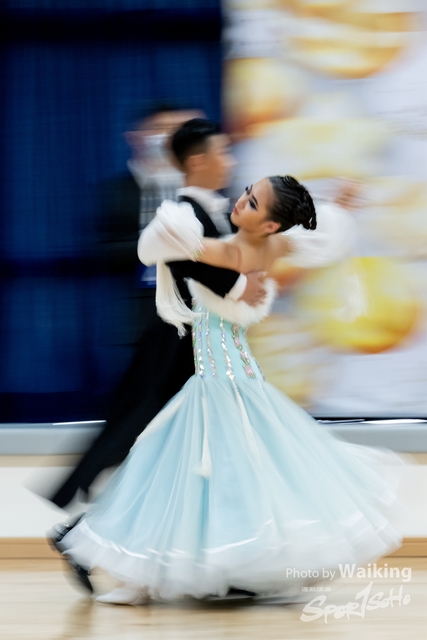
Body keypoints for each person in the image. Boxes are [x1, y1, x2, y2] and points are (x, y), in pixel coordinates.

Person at [60, 175, 402, 605]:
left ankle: (217, 568)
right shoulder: (273, 245)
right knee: (240, 473)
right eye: (247, 193)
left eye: (253, 203)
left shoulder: (228, 251)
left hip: (223, 382)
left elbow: (169, 250)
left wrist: (175, 218)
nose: (241, 202)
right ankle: (238, 570)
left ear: (270, 224)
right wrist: (339, 209)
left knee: (208, 474)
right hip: (234, 378)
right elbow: (318, 238)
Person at [48, 118, 268, 588]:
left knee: (199, 457)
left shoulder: (212, 209)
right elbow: (190, 263)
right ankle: (85, 536)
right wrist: (239, 285)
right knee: (179, 454)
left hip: (204, 350)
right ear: (199, 161)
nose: (230, 161)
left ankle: (227, 567)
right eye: (223, 152)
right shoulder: (181, 212)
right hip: (182, 351)